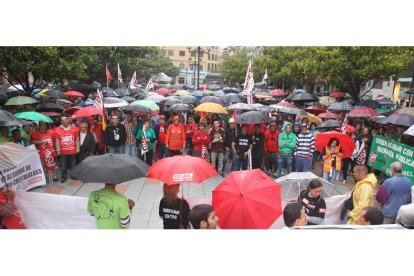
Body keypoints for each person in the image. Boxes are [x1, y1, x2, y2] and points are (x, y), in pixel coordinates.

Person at [54, 117, 80, 183]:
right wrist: (58, 150)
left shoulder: (75, 129)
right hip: (63, 151)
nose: (64, 121)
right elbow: (57, 141)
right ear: (61, 122)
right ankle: (64, 177)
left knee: (73, 164)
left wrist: (78, 148)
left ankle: (73, 176)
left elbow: (77, 139)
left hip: (72, 150)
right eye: (62, 120)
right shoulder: (57, 129)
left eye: (65, 119)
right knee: (63, 164)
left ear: (68, 120)